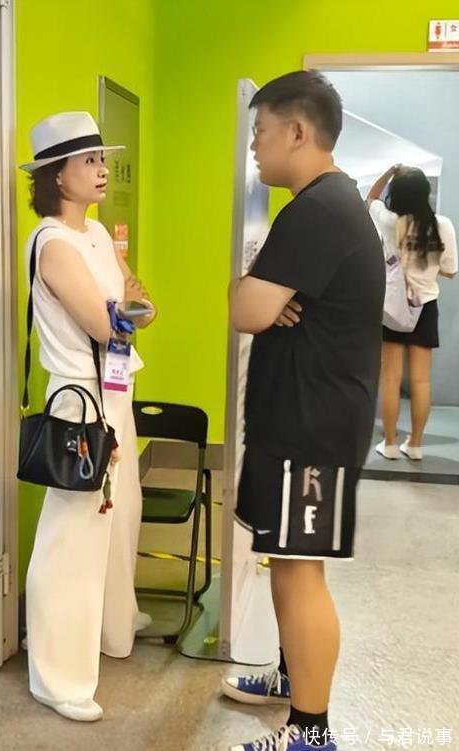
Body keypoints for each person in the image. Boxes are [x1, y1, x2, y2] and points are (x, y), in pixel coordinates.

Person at [225, 71, 385, 751]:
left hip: (311, 427)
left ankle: (310, 732)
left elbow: (246, 309)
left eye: (260, 131)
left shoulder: (318, 210)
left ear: (297, 131)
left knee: (298, 567)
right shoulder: (328, 203)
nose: (254, 146)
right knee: (286, 557)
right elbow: (261, 305)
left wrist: (253, 288)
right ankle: (293, 679)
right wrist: (262, 293)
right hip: (304, 418)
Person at [20, 112, 156, 722]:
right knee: (72, 533)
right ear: (57, 174)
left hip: (116, 387)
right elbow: (111, 323)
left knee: (120, 512)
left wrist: (128, 310)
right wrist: (127, 311)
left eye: (103, 159)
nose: (103, 171)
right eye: (90, 161)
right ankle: (58, 677)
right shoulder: (53, 242)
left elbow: (137, 301)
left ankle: (112, 625)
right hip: (81, 397)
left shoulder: (97, 233)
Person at [368, 166, 457, 461]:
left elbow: (371, 198)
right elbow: (451, 270)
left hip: (393, 307)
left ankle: (390, 444)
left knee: (390, 378)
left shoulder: (391, 222)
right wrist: (427, 269)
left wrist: (389, 172)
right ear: (425, 193)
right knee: (421, 380)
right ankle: (415, 444)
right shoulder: (443, 225)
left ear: (397, 194)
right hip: (426, 305)